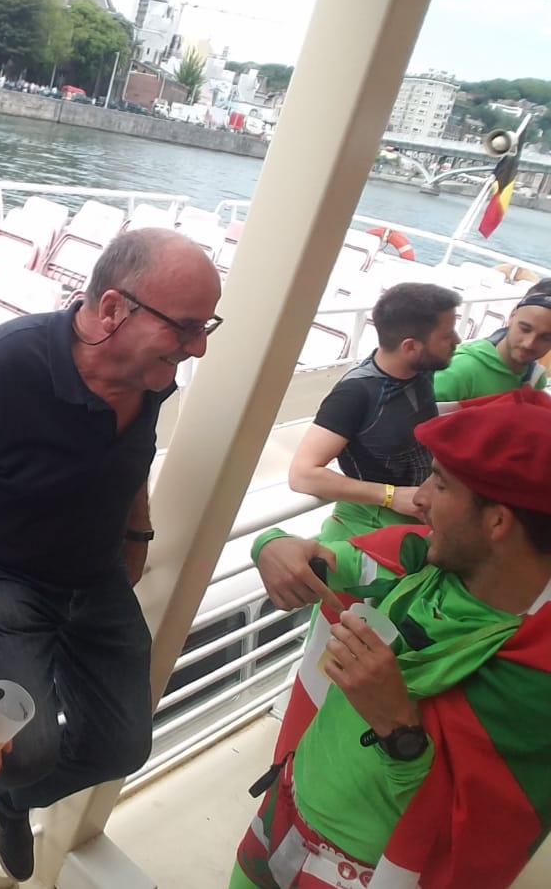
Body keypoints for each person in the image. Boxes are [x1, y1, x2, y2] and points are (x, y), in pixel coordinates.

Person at [0, 229, 224, 882]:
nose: (199, 347)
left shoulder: (151, 373)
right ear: (112, 309)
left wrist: (136, 532)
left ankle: (12, 799)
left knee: (121, 745)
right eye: (187, 327)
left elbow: (129, 455)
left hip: (94, 573)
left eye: (206, 326)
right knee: (26, 748)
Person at [230, 387, 551, 889]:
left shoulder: (537, 679)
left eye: (439, 484)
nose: (417, 498)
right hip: (283, 808)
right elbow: (323, 557)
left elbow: (478, 834)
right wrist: (271, 544)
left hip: (356, 873)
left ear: (497, 521)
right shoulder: (419, 559)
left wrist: (397, 726)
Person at [289, 282, 461, 543]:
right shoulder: (355, 393)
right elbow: (302, 474)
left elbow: (409, 414)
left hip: (425, 516)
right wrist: (391, 496)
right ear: (410, 347)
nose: (457, 340)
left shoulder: (421, 370)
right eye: (447, 336)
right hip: (372, 526)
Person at [433, 280, 551, 402]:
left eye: (546, 338)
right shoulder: (458, 372)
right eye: (525, 329)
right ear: (512, 315)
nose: (529, 344)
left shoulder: (536, 379)